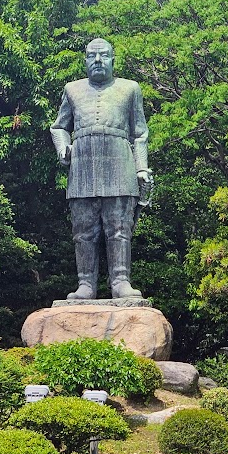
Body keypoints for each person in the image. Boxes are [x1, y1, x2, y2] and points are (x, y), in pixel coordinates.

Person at [50, 38, 153, 300]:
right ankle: (86, 283)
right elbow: (59, 127)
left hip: (120, 163)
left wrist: (142, 168)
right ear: (85, 60)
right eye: (92, 56)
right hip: (82, 166)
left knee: (119, 227)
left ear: (112, 60)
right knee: (83, 230)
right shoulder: (72, 90)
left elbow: (140, 133)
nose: (98, 61)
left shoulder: (130, 88)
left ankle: (120, 281)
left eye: (103, 56)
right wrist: (63, 148)